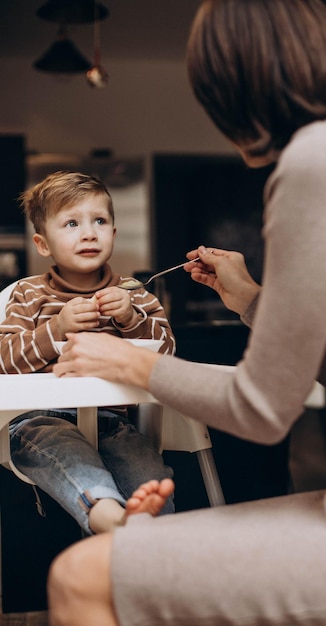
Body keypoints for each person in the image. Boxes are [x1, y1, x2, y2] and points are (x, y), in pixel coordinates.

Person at [48, 0, 326, 624]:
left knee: (81, 575)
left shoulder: (315, 165)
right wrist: (248, 299)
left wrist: (128, 362)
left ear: (229, 90)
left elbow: (263, 409)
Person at [0, 170, 175, 535]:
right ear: (42, 243)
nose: (89, 232)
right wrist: (56, 328)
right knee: (73, 462)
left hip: (116, 423)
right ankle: (110, 518)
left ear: (113, 233)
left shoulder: (136, 296)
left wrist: (130, 317)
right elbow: (4, 360)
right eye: (71, 223)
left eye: (99, 221)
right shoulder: (28, 296)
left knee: (150, 479)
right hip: (42, 420)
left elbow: (168, 357)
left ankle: (152, 546)